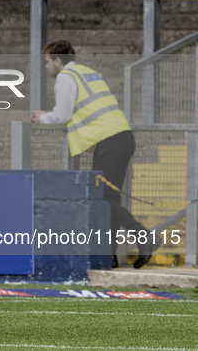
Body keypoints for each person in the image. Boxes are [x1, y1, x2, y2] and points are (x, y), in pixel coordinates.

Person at [30, 39, 160, 269]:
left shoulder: (65, 77)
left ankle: (144, 238)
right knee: (110, 199)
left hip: (109, 140)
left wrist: (41, 117)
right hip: (120, 137)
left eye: (48, 62)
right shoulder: (87, 72)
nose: (47, 67)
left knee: (104, 198)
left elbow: (62, 114)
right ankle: (109, 257)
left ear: (58, 61)